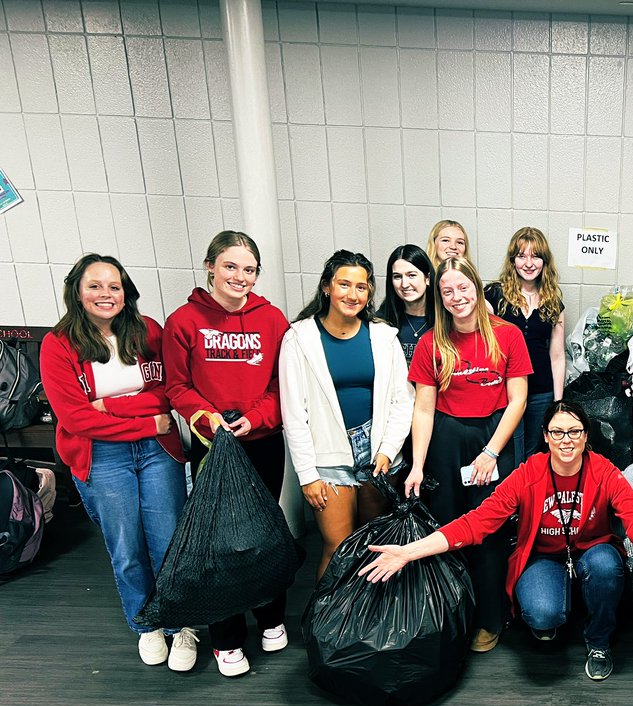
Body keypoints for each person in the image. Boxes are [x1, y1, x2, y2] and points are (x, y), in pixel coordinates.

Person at [360, 401, 633, 680]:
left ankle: (598, 640)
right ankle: (559, 609)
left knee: (607, 567)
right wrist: (409, 552)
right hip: (544, 557)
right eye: (557, 431)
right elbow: (476, 524)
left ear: (585, 437)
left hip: (593, 553)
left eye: (575, 431)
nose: (566, 439)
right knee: (543, 615)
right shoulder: (528, 474)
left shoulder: (605, 473)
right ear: (545, 436)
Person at [41, 254, 194, 670]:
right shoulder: (58, 345)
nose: (105, 294)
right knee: (126, 547)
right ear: (77, 291)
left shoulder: (149, 332)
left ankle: (179, 624)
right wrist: (146, 422)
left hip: (158, 452)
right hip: (103, 455)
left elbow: (169, 391)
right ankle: (145, 624)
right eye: (95, 285)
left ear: (126, 292)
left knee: (168, 542)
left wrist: (109, 405)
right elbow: (75, 418)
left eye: (114, 286)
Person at [164, 230, 292, 678]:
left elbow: (282, 384)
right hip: (213, 446)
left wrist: (256, 418)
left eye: (250, 269)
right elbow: (177, 385)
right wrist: (206, 419)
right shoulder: (184, 321)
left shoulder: (273, 320)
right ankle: (226, 637)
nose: (240, 277)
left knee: (263, 533)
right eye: (231, 266)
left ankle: (271, 616)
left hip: (262, 443)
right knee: (219, 543)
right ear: (210, 266)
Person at [405, 256, 532, 652]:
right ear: (439, 297)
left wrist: (492, 453)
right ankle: (451, 614)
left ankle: (489, 619)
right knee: (447, 528)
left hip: (492, 437)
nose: (457, 297)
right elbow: (423, 408)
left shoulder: (507, 335)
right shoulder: (431, 342)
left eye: (463, 288)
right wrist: (418, 466)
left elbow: (518, 400)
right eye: (447, 291)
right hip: (446, 438)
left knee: (490, 532)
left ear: (477, 288)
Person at [279, 250, 414, 581]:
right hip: (328, 454)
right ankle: (328, 628)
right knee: (337, 546)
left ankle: (366, 620)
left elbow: (402, 400)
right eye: (344, 284)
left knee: (373, 544)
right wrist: (308, 475)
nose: (353, 295)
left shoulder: (384, 336)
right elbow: (294, 413)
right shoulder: (299, 338)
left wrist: (388, 449)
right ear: (326, 287)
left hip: (379, 452)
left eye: (362, 287)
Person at [484, 227, 566, 462]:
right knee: (507, 451)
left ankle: (528, 497)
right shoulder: (493, 296)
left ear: (544, 261)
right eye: (522, 256)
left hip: (541, 391)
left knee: (532, 454)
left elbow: (558, 356)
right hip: (504, 390)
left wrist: (558, 402)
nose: (528, 263)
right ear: (513, 260)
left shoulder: (553, 302)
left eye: (535, 256)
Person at [377, 244, 435, 366]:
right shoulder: (381, 321)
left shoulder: (445, 318)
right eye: (397, 277)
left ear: (427, 278)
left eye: (411, 275)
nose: (404, 284)